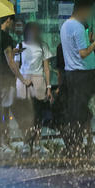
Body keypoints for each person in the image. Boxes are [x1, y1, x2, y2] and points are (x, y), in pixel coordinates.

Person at [60, 0, 95, 152]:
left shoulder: (65, 25)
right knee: (81, 111)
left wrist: (89, 41)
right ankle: (76, 143)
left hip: (71, 73)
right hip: (82, 75)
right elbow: (83, 53)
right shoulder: (78, 27)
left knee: (75, 110)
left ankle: (74, 141)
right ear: (82, 10)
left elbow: (76, 49)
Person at [0, 15, 32, 152]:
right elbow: (10, 62)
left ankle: (3, 142)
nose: (13, 25)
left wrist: (11, 52)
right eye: (12, 21)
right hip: (5, 80)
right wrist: (22, 79)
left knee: (2, 110)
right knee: (1, 111)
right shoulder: (5, 38)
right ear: (8, 20)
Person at [16, 22, 54, 154]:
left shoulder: (43, 46)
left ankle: (37, 142)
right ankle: (26, 142)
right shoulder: (20, 46)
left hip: (38, 81)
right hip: (23, 81)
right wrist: (21, 79)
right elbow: (15, 66)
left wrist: (49, 87)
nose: (34, 33)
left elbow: (46, 68)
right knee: (25, 114)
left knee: (38, 114)